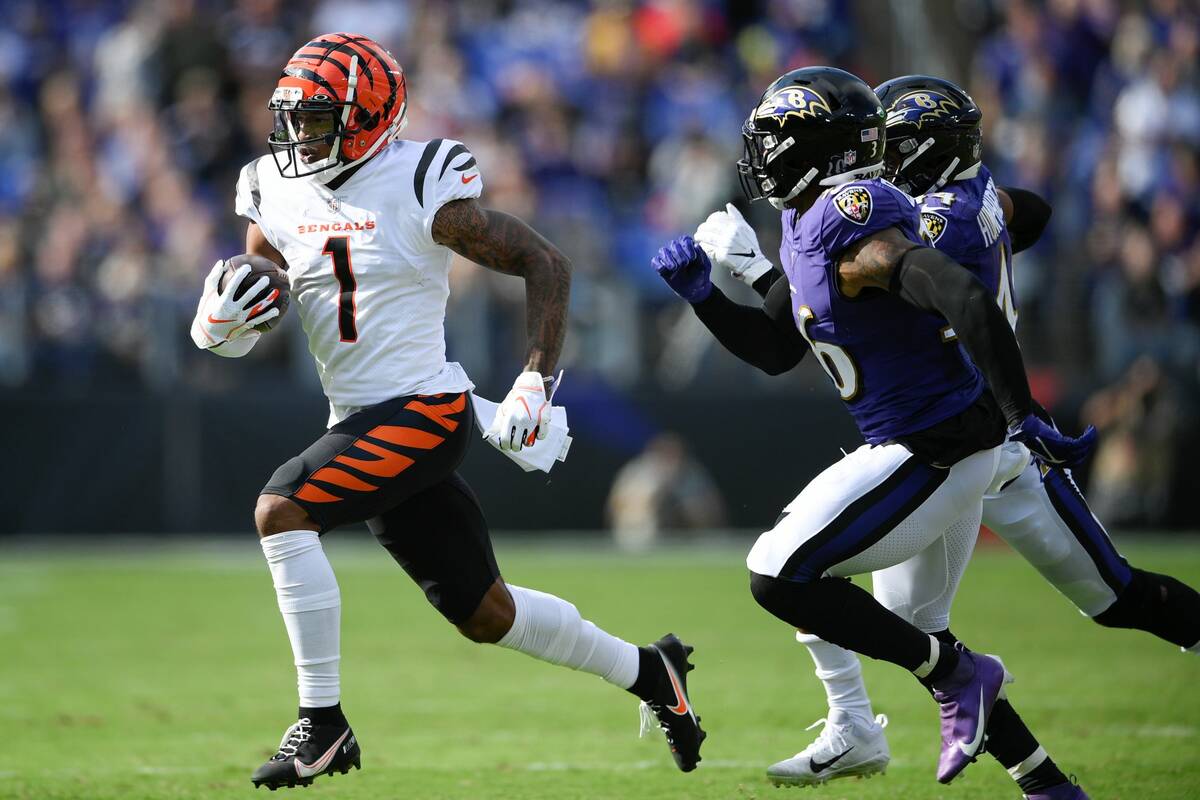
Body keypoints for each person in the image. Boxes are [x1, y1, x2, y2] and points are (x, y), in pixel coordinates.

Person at [189, 33, 704, 791]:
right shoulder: (273, 182)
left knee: (280, 510)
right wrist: (226, 311)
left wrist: (536, 377)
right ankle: (652, 672)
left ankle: (322, 724)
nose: (301, 136)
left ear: (367, 117)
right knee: (486, 613)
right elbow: (266, 267)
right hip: (358, 417)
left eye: (319, 119)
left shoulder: (416, 180)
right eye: (293, 118)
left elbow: (544, 261)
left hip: (425, 411)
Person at [697, 74, 1199, 799]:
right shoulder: (972, 196)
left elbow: (893, 286)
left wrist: (749, 269)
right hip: (965, 425)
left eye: (893, 149)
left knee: (1116, 599)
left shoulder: (911, 220)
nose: (879, 162)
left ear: (927, 153)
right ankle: (1041, 782)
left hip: (980, 433)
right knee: (900, 620)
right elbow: (1034, 215)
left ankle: (899, 711)